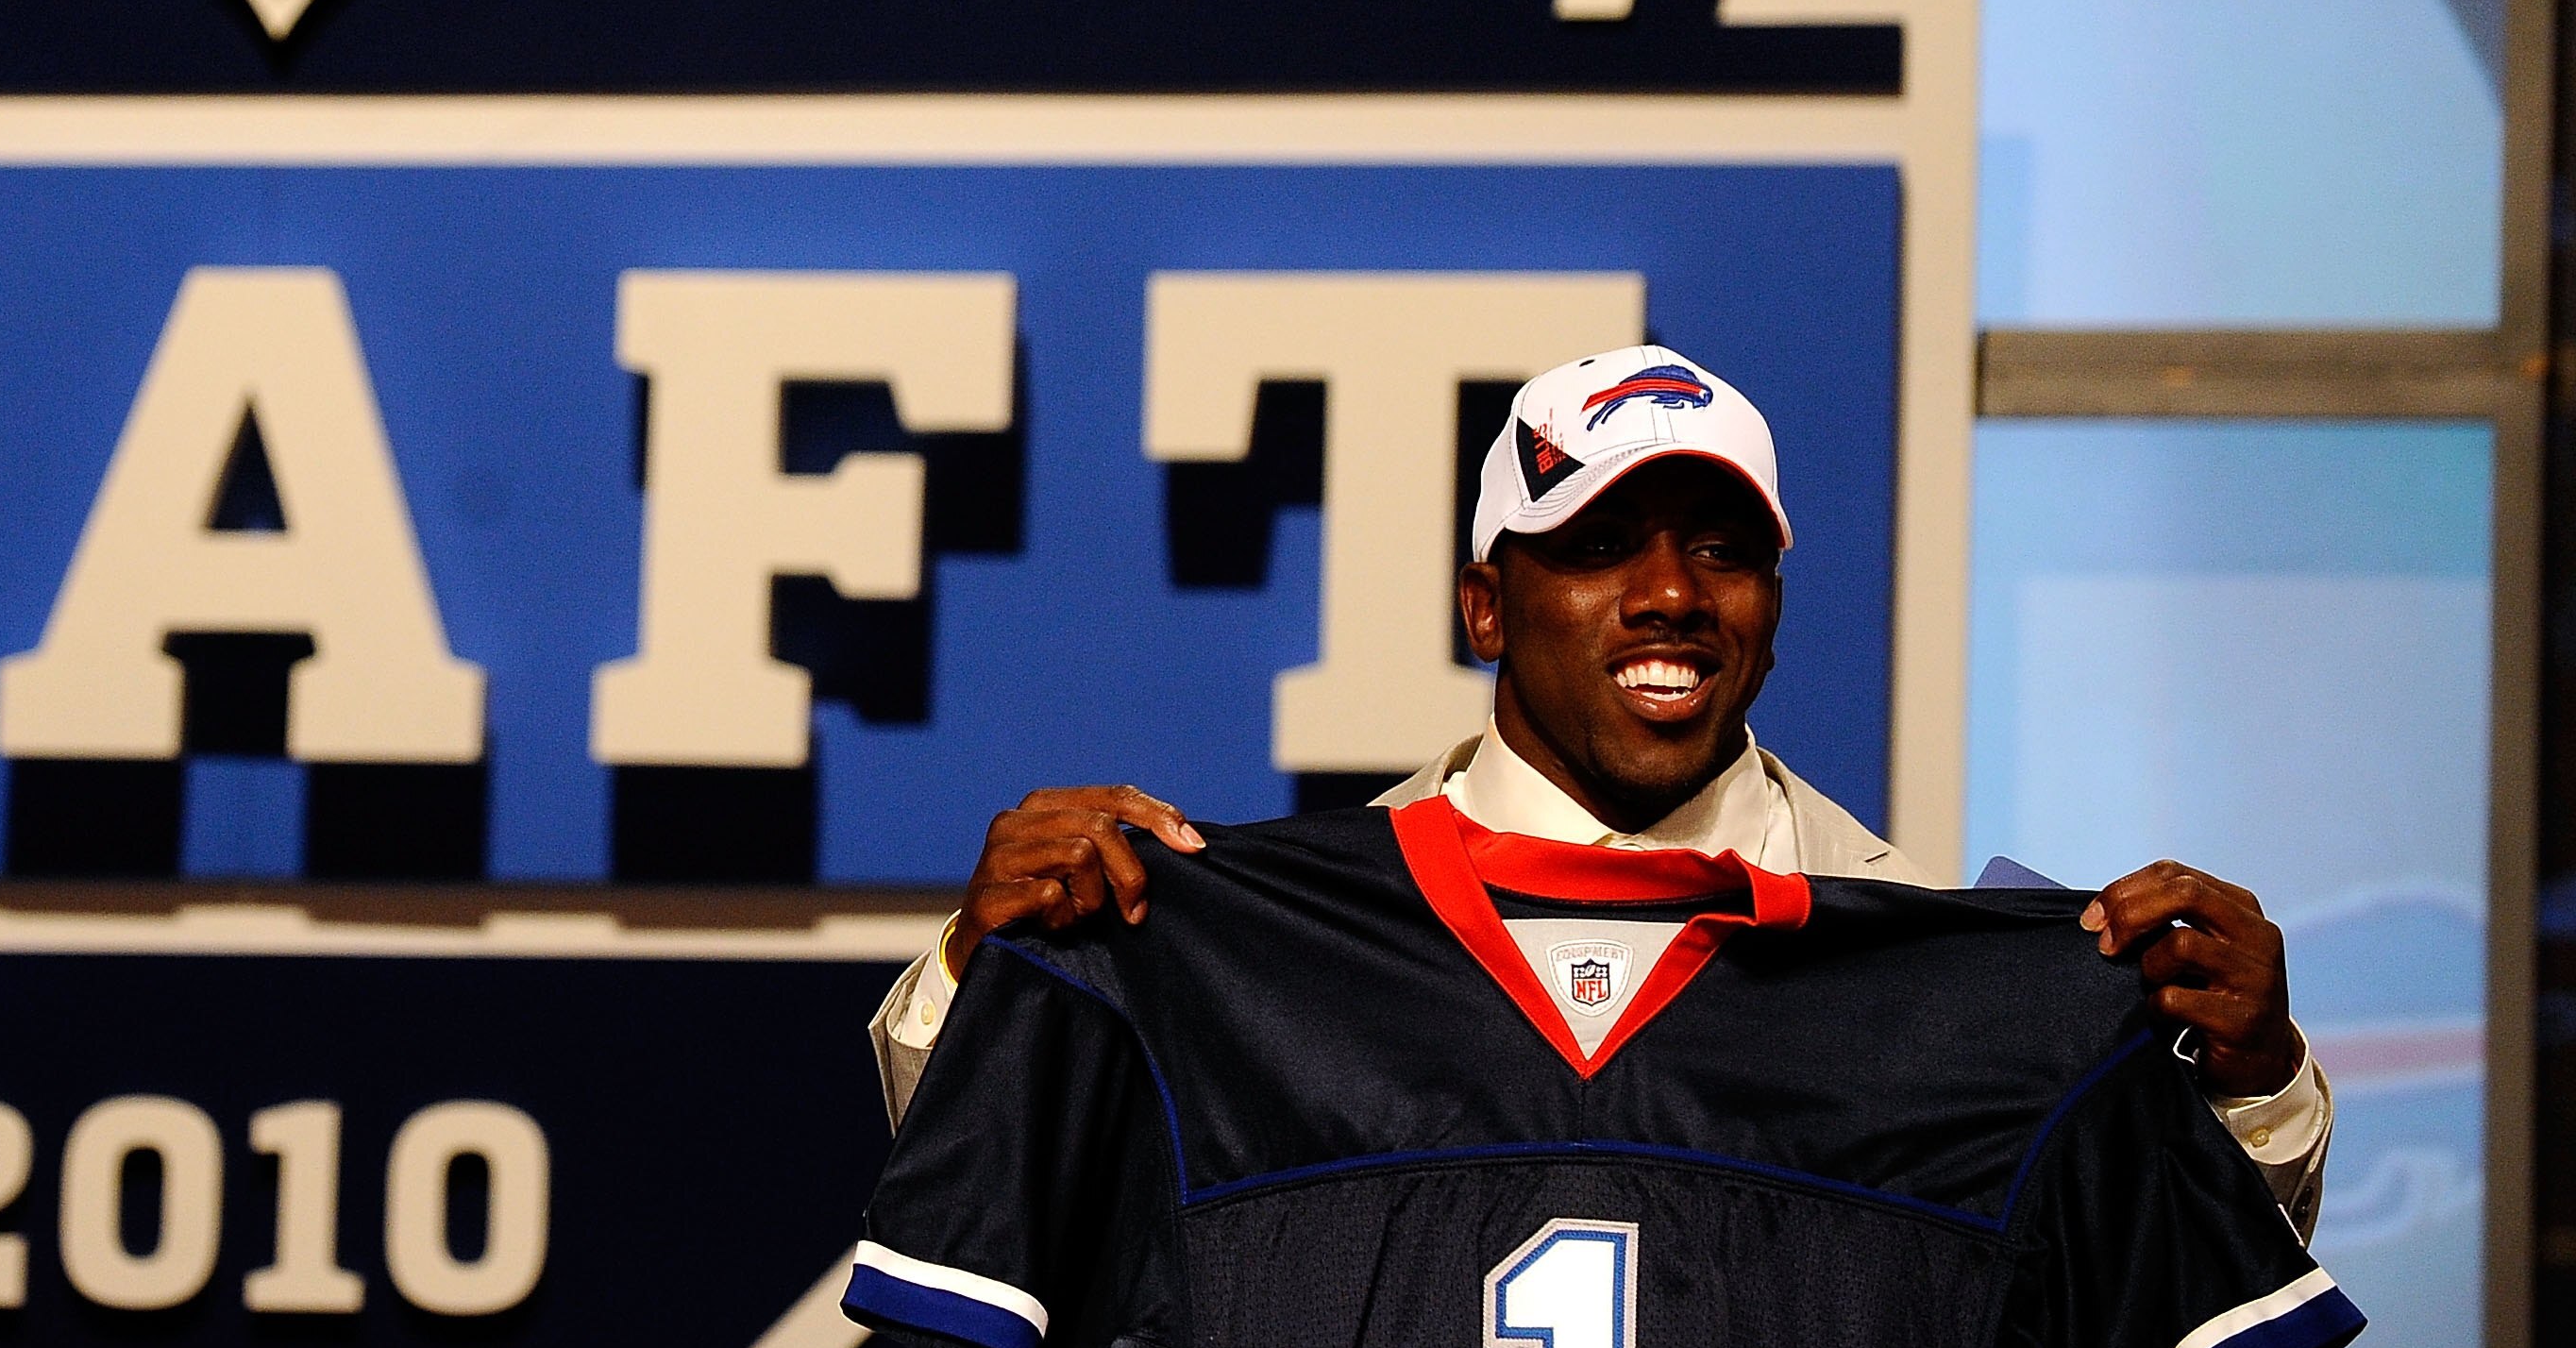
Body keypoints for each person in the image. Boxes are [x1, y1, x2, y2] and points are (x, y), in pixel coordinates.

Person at [866, 343, 2332, 1234]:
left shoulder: (1918, 951)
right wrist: (983, 975)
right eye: (1598, 543)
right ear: (1486, 606)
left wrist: (2258, 1087)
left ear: (1770, 599)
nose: (1668, 595)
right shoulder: (1275, 942)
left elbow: (2144, 1318)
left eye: (1720, 546)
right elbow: (1025, 1229)